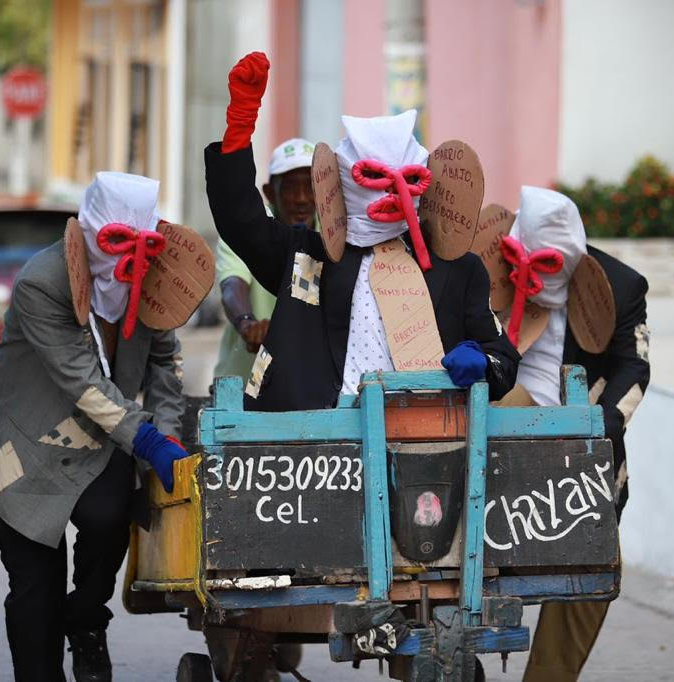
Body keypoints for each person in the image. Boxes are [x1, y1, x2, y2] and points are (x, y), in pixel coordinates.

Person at [0, 172, 197, 682]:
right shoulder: (40, 283)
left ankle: (87, 622)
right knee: (35, 589)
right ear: (89, 236)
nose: (125, 266)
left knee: (112, 520)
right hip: (23, 450)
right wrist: (149, 440)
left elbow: (166, 366)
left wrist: (170, 435)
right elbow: (82, 382)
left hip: (104, 440)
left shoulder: (153, 276)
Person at [205, 52, 519, 413]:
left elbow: (503, 362)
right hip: (316, 450)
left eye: (405, 181)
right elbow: (240, 220)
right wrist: (239, 126)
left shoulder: (458, 268)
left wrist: (481, 361)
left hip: (425, 444)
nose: (389, 194)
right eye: (374, 179)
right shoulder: (308, 259)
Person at [491, 186, 650, 682]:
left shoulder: (621, 286)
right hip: (501, 415)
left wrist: (596, 425)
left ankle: (548, 678)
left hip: (579, 435)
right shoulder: (486, 263)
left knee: (595, 568)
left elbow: (635, 367)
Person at [213, 137, 316, 380]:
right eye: (290, 187)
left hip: (310, 385)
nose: (301, 198)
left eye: (311, 186)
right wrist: (247, 323)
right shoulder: (246, 230)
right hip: (243, 382)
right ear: (270, 192)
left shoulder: (333, 233)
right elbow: (231, 285)